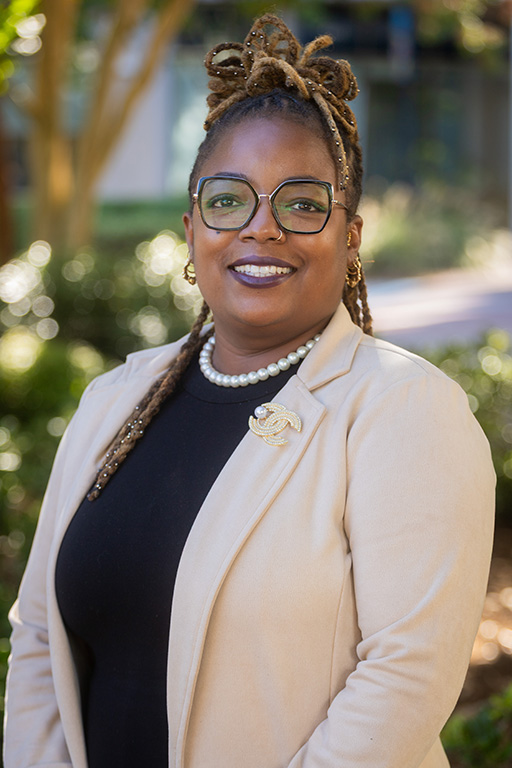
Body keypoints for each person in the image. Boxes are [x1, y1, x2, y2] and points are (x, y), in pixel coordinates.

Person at [4, 14, 495, 768]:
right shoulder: (115, 399)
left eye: (301, 203)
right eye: (228, 200)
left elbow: (405, 677)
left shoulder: (403, 411)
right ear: (193, 225)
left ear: (350, 235)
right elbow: (39, 634)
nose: (260, 229)